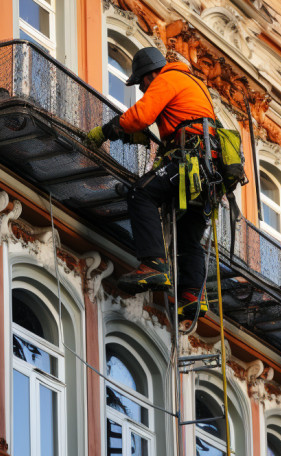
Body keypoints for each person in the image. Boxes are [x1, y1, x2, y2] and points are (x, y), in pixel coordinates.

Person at [83, 46, 216, 329]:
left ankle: (153, 264)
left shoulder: (167, 79)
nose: (143, 89)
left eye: (142, 82)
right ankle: (193, 296)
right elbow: (182, 125)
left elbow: (140, 116)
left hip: (190, 162)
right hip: (208, 173)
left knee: (141, 192)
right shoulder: (193, 85)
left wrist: (107, 130)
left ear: (150, 74)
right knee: (188, 235)